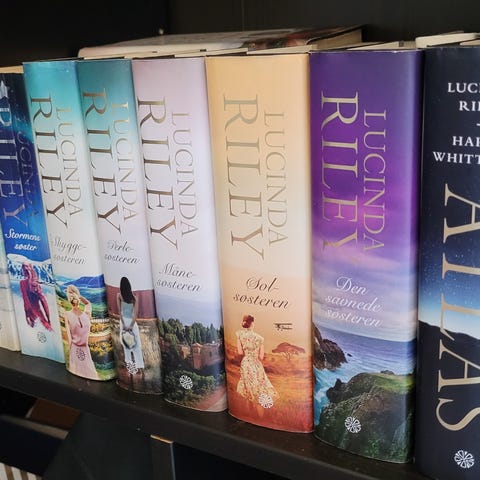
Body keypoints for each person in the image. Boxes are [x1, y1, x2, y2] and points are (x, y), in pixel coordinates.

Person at [235, 314, 278, 408]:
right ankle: (260, 407)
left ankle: (248, 411)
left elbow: (240, 352)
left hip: (246, 363)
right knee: (259, 386)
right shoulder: (260, 338)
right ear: (252, 323)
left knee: (247, 388)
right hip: (256, 364)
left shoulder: (239, 334)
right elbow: (261, 357)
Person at [65, 285, 98, 380]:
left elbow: (69, 336)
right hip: (84, 349)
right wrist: (79, 296)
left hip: (75, 349)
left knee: (76, 375)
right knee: (90, 374)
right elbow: (88, 303)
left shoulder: (67, 314)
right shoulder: (87, 314)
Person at [117, 276, 144, 375]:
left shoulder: (119, 296)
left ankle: (130, 367)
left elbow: (120, 312)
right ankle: (140, 368)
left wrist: (124, 324)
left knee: (126, 344)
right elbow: (135, 314)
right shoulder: (134, 298)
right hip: (132, 323)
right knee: (137, 345)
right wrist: (131, 326)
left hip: (123, 321)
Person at [19, 262, 51, 331]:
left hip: (35, 317)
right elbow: (43, 303)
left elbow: (44, 303)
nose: (26, 269)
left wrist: (48, 318)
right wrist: (48, 319)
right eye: (24, 267)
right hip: (34, 317)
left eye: (27, 267)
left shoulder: (27, 284)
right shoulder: (24, 283)